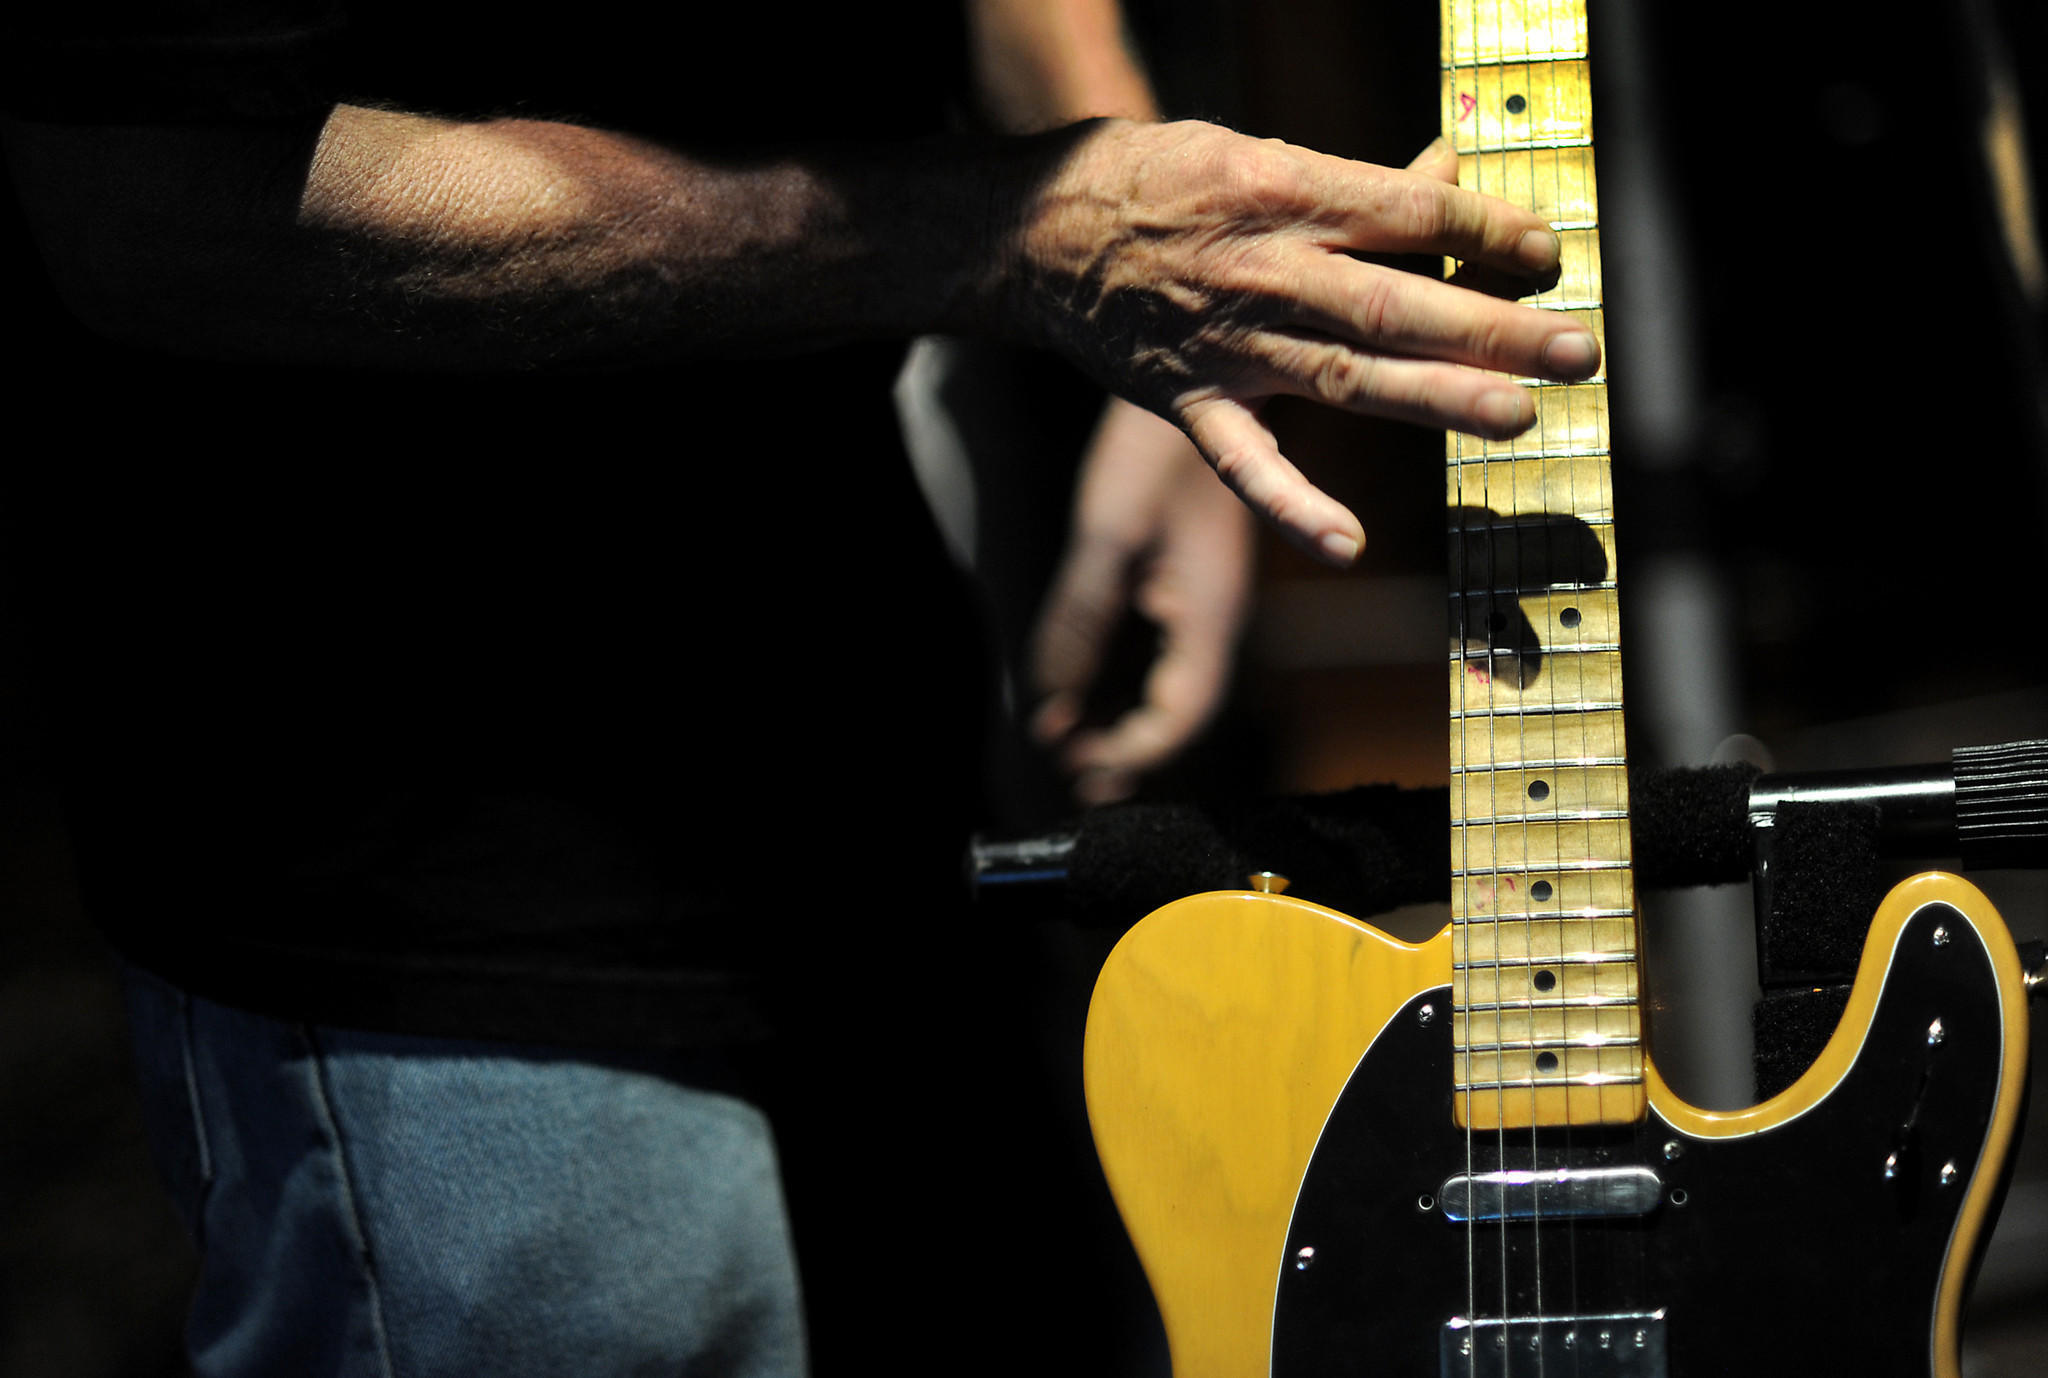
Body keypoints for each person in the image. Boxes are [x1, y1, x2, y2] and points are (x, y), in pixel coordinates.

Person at [0, 2, 1598, 1374]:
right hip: (434, 847)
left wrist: (1129, 233)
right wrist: (1029, 233)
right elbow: (153, 203)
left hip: (873, 773)